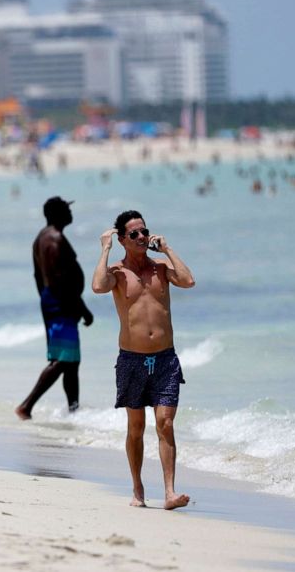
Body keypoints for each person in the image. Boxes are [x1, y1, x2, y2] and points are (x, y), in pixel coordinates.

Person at [91, 210, 195, 510]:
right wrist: (105, 249)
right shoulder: (118, 273)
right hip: (132, 361)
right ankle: (137, 488)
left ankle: (170, 492)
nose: (141, 237)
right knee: (136, 427)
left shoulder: (161, 268)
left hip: (165, 359)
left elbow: (188, 281)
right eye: (133, 234)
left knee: (165, 423)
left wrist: (168, 249)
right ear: (123, 239)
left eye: (144, 232)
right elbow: (98, 286)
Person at [16, 197, 93, 418]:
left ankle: (74, 411)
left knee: (72, 361)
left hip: (52, 300)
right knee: (63, 358)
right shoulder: (54, 240)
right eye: (67, 208)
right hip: (61, 302)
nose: (70, 211)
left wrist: (46, 300)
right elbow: (61, 280)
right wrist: (82, 307)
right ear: (57, 213)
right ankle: (26, 406)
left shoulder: (40, 239)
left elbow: (38, 276)